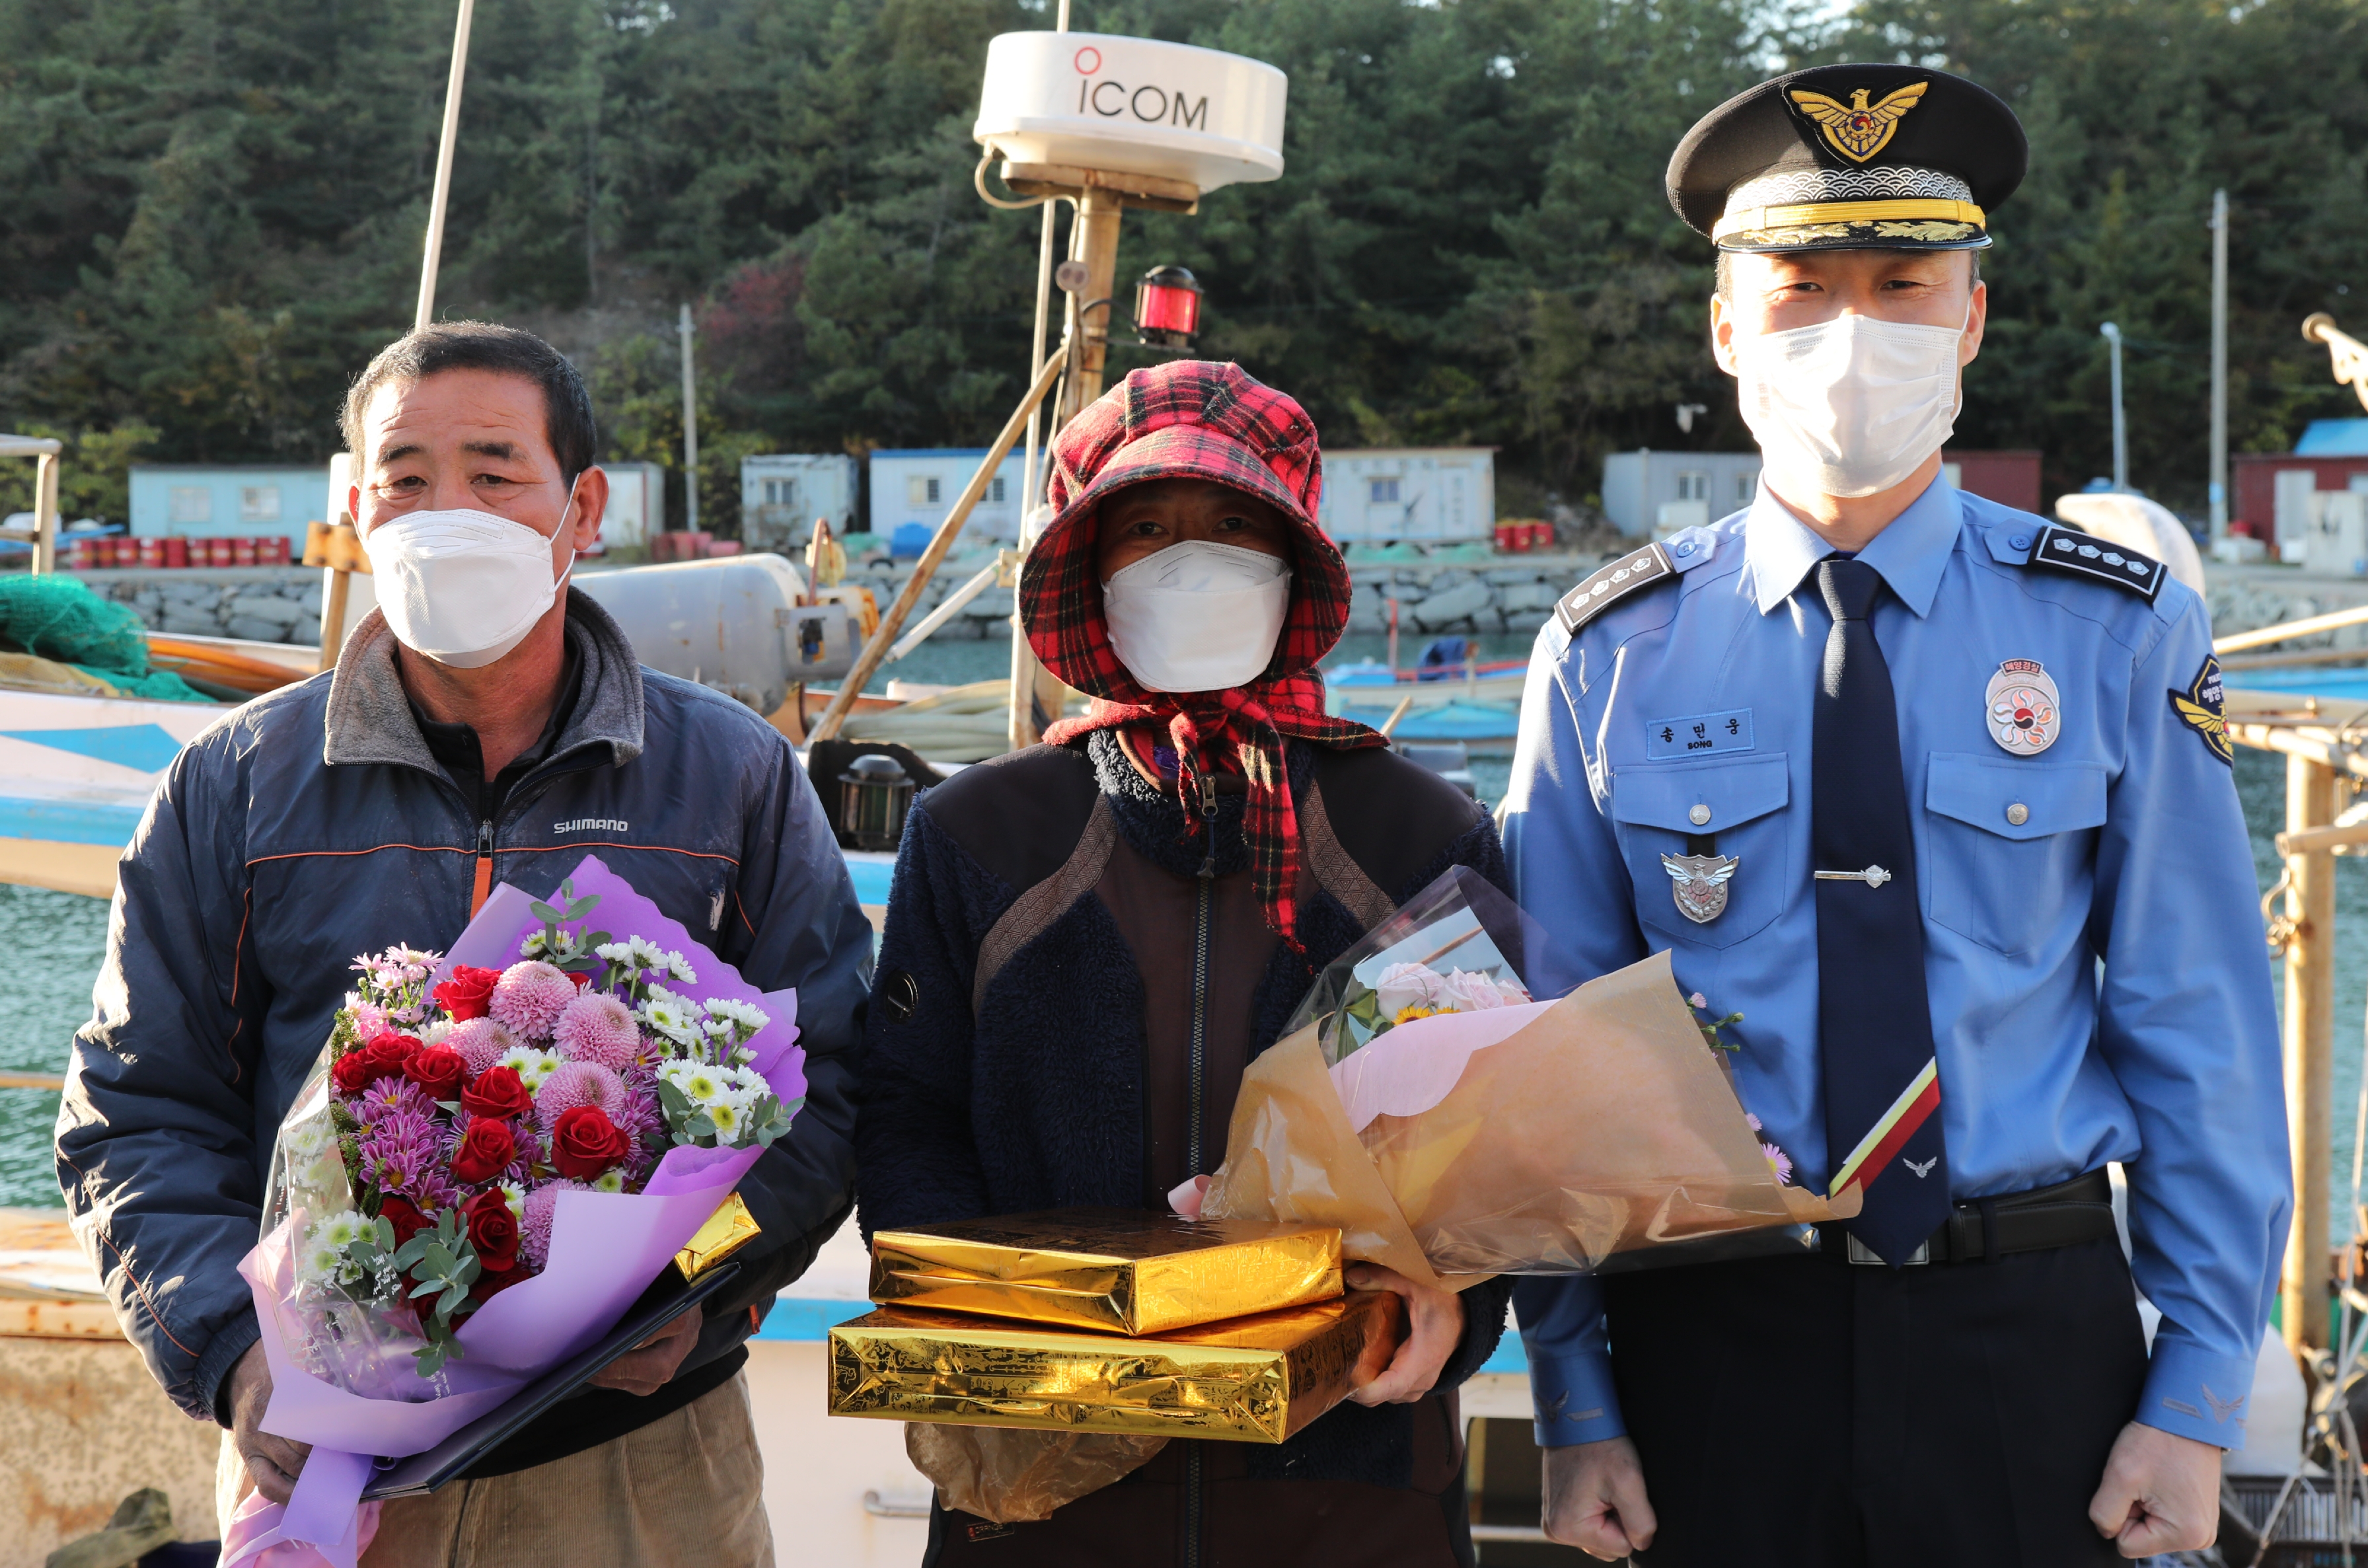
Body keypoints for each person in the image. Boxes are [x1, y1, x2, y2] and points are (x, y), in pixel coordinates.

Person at [1499, 65, 2289, 1565]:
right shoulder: (1607, 652)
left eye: (1902, 285)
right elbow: (1554, 1057)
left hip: (2031, 1338)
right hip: (1710, 1342)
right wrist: (1572, 1394)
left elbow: (2196, 1025)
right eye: (1800, 288)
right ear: (1727, 328)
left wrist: (2196, 1395)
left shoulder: (2116, 630)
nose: (1851, 332)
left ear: (1971, 320)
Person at [53, 321, 873, 1566]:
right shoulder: (232, 783)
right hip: (329, 1461)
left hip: (642, 1457)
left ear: (581, 508)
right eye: (405, 477)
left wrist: (695, 1290)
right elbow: (136, 1106)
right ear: (356, 509)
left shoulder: (732, 775)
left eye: (494, 473)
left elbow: (834, 1083)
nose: (446, 513)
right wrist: (234, 1348)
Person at [856, 359, 1516, 1566]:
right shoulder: (978, 832)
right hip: (1039, 1489)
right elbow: (908, 1111)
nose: (1190, 560)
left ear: (1295, 560)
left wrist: (1456, 1310)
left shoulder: (1422, 830)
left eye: (1232, 525)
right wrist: (984, 1329)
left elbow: (1496, 1137)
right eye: (1146, 529)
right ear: (1090, 572)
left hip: (1355, 1488)